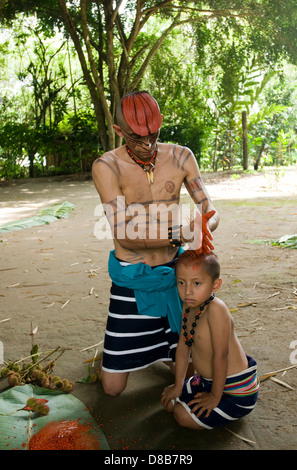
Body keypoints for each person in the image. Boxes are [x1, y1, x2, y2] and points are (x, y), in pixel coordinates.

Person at [92, 90, 219, 396]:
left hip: (174, 274)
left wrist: (203, 226)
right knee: (112, 389)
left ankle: (163, 354)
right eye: (137, 138)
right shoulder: (106, 166)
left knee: (189, 370)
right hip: (133, 274)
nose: (148, 144)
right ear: (119, 131)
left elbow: (210, 211)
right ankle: (115, 358)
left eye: (153, 134)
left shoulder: (181, 156)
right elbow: (124, 234)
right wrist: (180, 234)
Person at [161, 250, 259, 430]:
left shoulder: (216, 310)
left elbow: (222, 356)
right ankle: (199, 395)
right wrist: (178, 384)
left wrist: (215, 397)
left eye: (197, 283)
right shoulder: (189, 306)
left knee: (181, 415)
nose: (187, 291)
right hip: (206, 381)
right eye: (181, 283)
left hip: (236, 390)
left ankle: (222, 405)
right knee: (169, 401)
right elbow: (183, 347)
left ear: (216, 285)